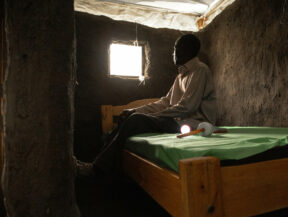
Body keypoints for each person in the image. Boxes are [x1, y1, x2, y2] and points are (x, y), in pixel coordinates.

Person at [75, 34, 216, 177]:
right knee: (130, 118)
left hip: (193, 126)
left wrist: (147, 116)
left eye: (175, 48)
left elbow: (187, 107)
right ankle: (101, 159)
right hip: (177, 121)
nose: (173, 53)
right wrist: (133, 110)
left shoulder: (199, 70)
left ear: (187, 50)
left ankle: (96, 169)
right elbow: (165, 102)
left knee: (136, 120)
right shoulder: (181, 76)